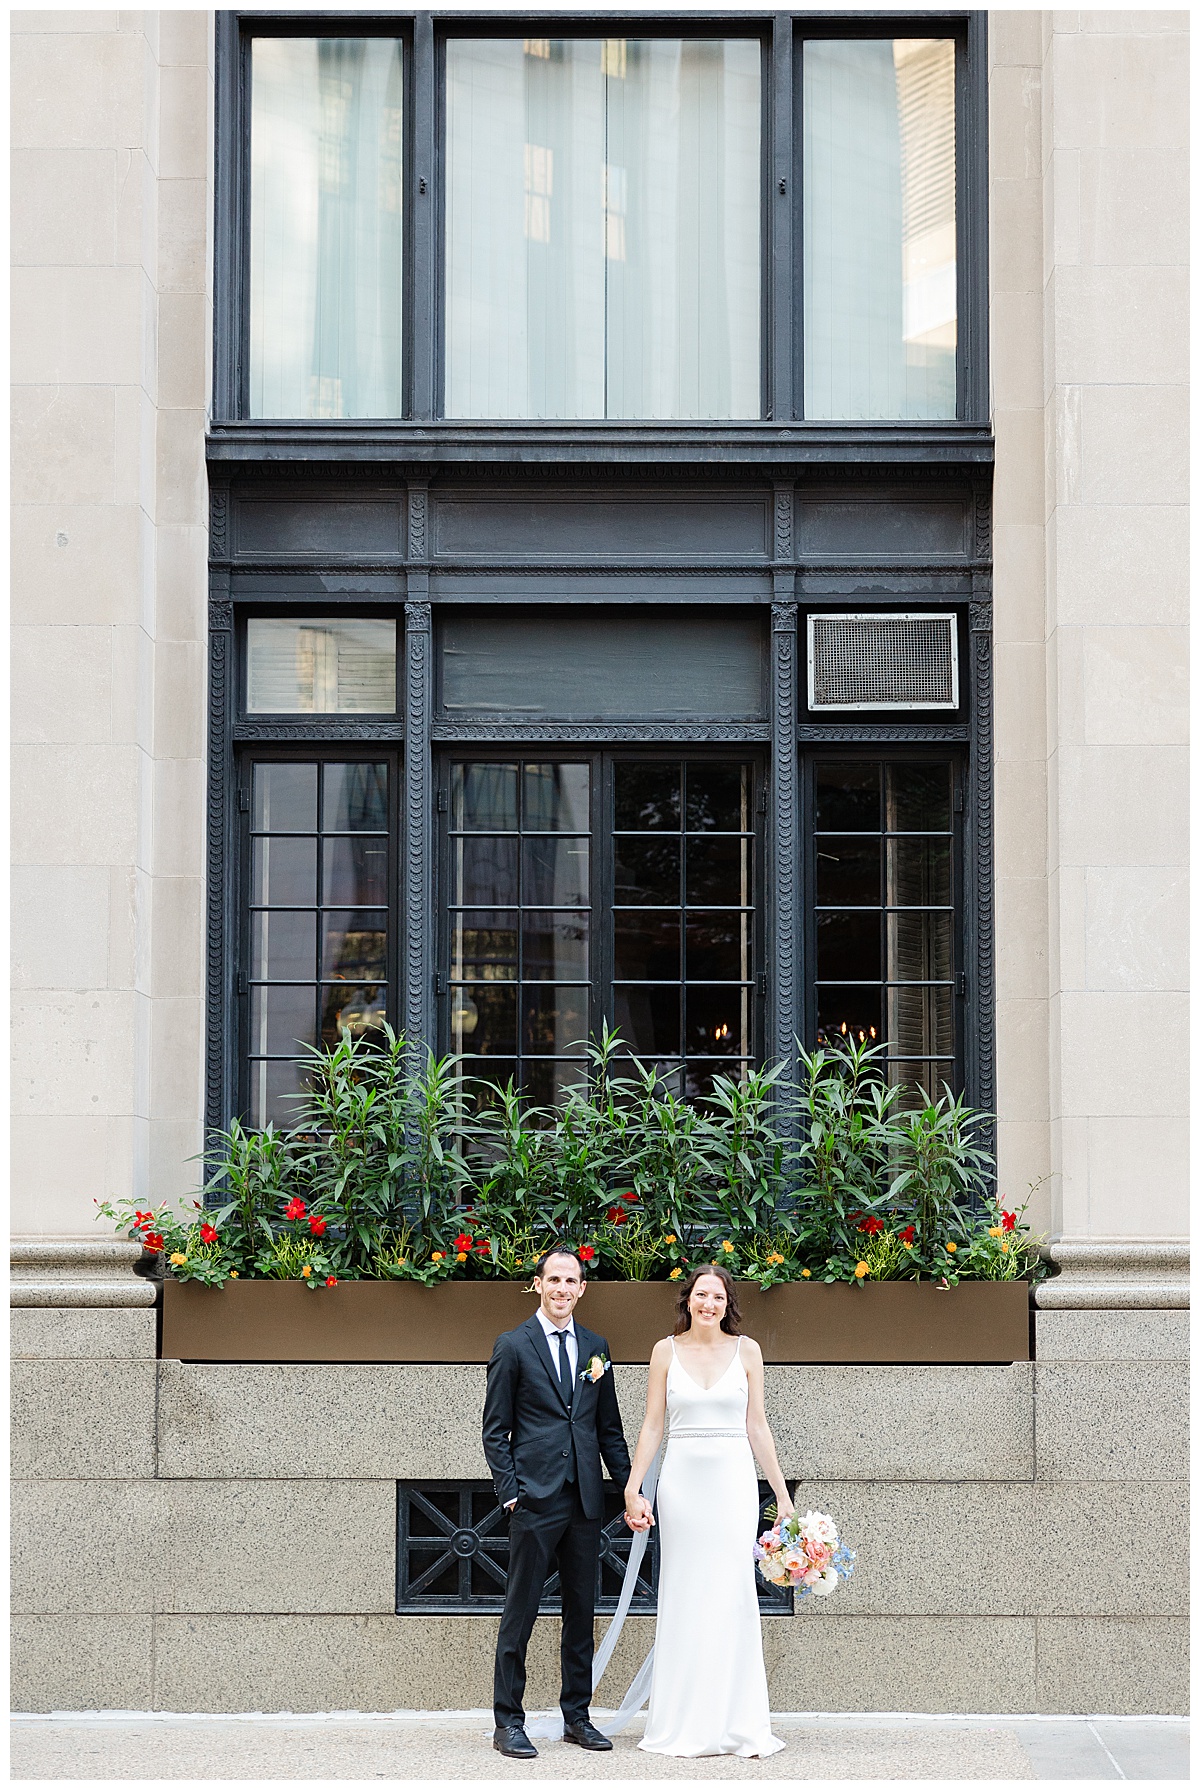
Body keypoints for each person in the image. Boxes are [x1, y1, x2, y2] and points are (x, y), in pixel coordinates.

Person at [482, 1244, 646, 1761]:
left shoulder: (596, 1347)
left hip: (585, 1500)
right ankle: (508, 1722)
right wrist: (511, 1494)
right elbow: (495, 1431)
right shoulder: (513, 1344)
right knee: (521, 1612)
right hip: (534, 1500)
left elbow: (609, 1429)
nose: (561, 1290)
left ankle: (577, 1716)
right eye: (552, 1280)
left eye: (570, 1281)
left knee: (582, 1612)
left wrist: (629, 1489)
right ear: (538, 1284)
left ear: (581, 1289)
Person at [623, 1263, 790, 1757]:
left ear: (727, 1303)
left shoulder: (748, 1351)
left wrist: (781, 1495)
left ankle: (736, 1723)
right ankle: (683, 1723)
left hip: (733, 1484)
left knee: (731, 1593)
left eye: (717, 1297)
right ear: (688, 1300)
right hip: (682, 1486)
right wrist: (635, 1487)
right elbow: (654, 1425)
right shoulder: (664, 1351)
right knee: (686, 1591)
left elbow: (757, 1426)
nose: (708, 1304)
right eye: (701, 1295)